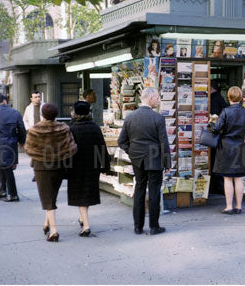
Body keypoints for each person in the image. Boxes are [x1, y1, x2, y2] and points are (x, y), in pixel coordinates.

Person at [118, 88, 170, 235]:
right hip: (155, 159)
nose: (159, 100)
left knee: (139, 190)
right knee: (154, 192)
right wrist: (167, 163)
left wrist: (132, 153)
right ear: (151, 98)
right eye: (158, 98)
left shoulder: (130, 117)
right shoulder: (158, 118)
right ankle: (154, 226)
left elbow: (122, 141)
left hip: (137, 160)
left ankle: (138, 227)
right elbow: (163, 143)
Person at [25, 103, 77, 243]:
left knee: (47, 198)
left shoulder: (34, 130)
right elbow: (72, 148)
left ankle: (53, 231)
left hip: (41, 167)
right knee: (52, 195)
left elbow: (28, 150)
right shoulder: (64, 128)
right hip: (59, 166)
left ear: (42, 114)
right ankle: (46, 223)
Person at [67, 101, 111, 237]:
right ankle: (82, 218)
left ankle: (86, 225)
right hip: (92, 166)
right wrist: (105, 166)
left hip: (76, 167)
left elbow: (68, 150)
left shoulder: (72, 129)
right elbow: (102, 148)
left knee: (80, 195)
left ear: (74, 113)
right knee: (86, 194)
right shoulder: (95, 127)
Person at [209, 86, 245, 215]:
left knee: (227, 178)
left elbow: (216, 129)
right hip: (240, 146)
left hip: (226, 147)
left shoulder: (226, 112)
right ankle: (239, 206)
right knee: (238, 178)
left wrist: (212, 121)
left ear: (229, 97)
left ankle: (229, 207)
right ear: (241, 97)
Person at [0, 94, 26, 202]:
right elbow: (22, 128)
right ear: (5, 101)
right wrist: (22, 141)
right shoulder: (15, 112)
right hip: (11, 142)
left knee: (4, 168)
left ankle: (13, 194)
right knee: (5, 168)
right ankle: (4, 191)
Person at [23, 90, 43, 182]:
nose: (38, 98)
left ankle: (42, 173)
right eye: (35, 97)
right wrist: (28, 129)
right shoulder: (28, 108)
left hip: (43, 134)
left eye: (39, 96)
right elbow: (25, 120)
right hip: (33, 134)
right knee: (35, 155)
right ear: (31, 99)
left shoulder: (44, 106)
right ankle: (36, 173)